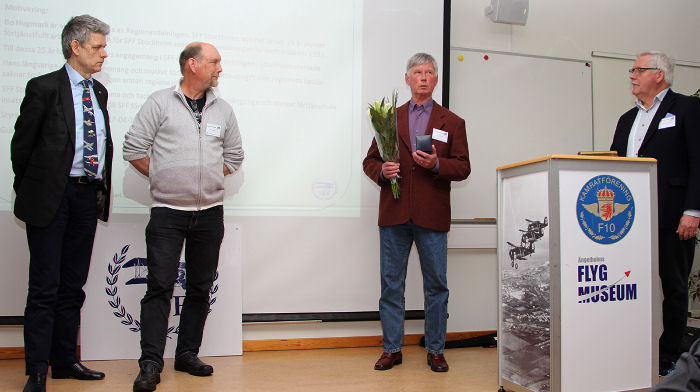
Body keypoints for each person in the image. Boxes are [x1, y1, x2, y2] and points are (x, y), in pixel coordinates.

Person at [123, 42, 244, 392]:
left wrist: (206, 179)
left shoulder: (223, 109)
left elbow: (235, 154)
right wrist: (164, 177)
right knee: (159, 287)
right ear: (192, 65)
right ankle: (150, 364)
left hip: (209, 214)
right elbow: (133, 148)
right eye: (214, 62)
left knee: (199, 288)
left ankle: (188, 354)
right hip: (167, 213)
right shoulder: (160, 102)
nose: (220, 68)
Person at [10, 14, 112, 392]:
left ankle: (65, 360)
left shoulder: (99, 91)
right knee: (44, 288)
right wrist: (39, 187)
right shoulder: (44, 87)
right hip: (51, 197)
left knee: (73, 285)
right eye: (98, 46)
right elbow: (21, 149)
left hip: (87, 195)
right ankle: (37, 370)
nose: (105, 53)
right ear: (76, 46)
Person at [362, 53, 470, 372]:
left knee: (436, 287)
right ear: (407, 79)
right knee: (391, 286)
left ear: (435, 80)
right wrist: (384, 171)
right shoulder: (388, 119)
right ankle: (392, 349)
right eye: (417, 72)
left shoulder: (453, 122)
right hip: (394, 216)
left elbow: (463, 167)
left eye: (429, 72)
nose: (423, 77)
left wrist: (436, 164)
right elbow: (369, 161)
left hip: (431, 217)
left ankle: (435, 350)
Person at [610, 50, 700, 376]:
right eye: (631, 70)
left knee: (674, 287)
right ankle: (632, 346)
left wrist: (692, 211)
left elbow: (697, 163)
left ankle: (669, 356)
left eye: (638, 70)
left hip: (673, 217)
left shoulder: (687, 109)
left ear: (659, 74)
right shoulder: (625, 120)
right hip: (628, 223)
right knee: (626, 285)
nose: (632, 75)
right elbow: (613, 168)